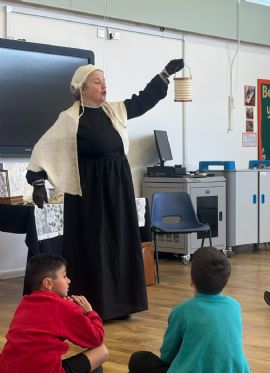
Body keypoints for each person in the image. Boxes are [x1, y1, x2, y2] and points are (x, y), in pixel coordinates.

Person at [25, 59, 184, 320]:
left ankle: (122, 304)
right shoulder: (69, 119)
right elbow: (45, 148)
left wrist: (165, 74)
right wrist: (38, 181)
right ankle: (94, 306)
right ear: (82, 88)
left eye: (104, 81)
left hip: (118, 187)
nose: (103, 86)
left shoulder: (115, 110)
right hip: (89, 192)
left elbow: (144, 100)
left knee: (120, 241)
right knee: (94, 244)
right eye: (97, 82)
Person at [125, 247, 252, 373]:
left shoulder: (182, 311)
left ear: (191, 279)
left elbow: (167, 356)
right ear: (225, 281)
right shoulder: (235, 306)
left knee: (138, 360)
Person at [0, 254, 109, 373]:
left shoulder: (24, 303)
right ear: (48, 283)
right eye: (64, 276)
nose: (69, 280)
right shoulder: (65, 308)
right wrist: (89, 312)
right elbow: (96, 338)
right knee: (101, 352)